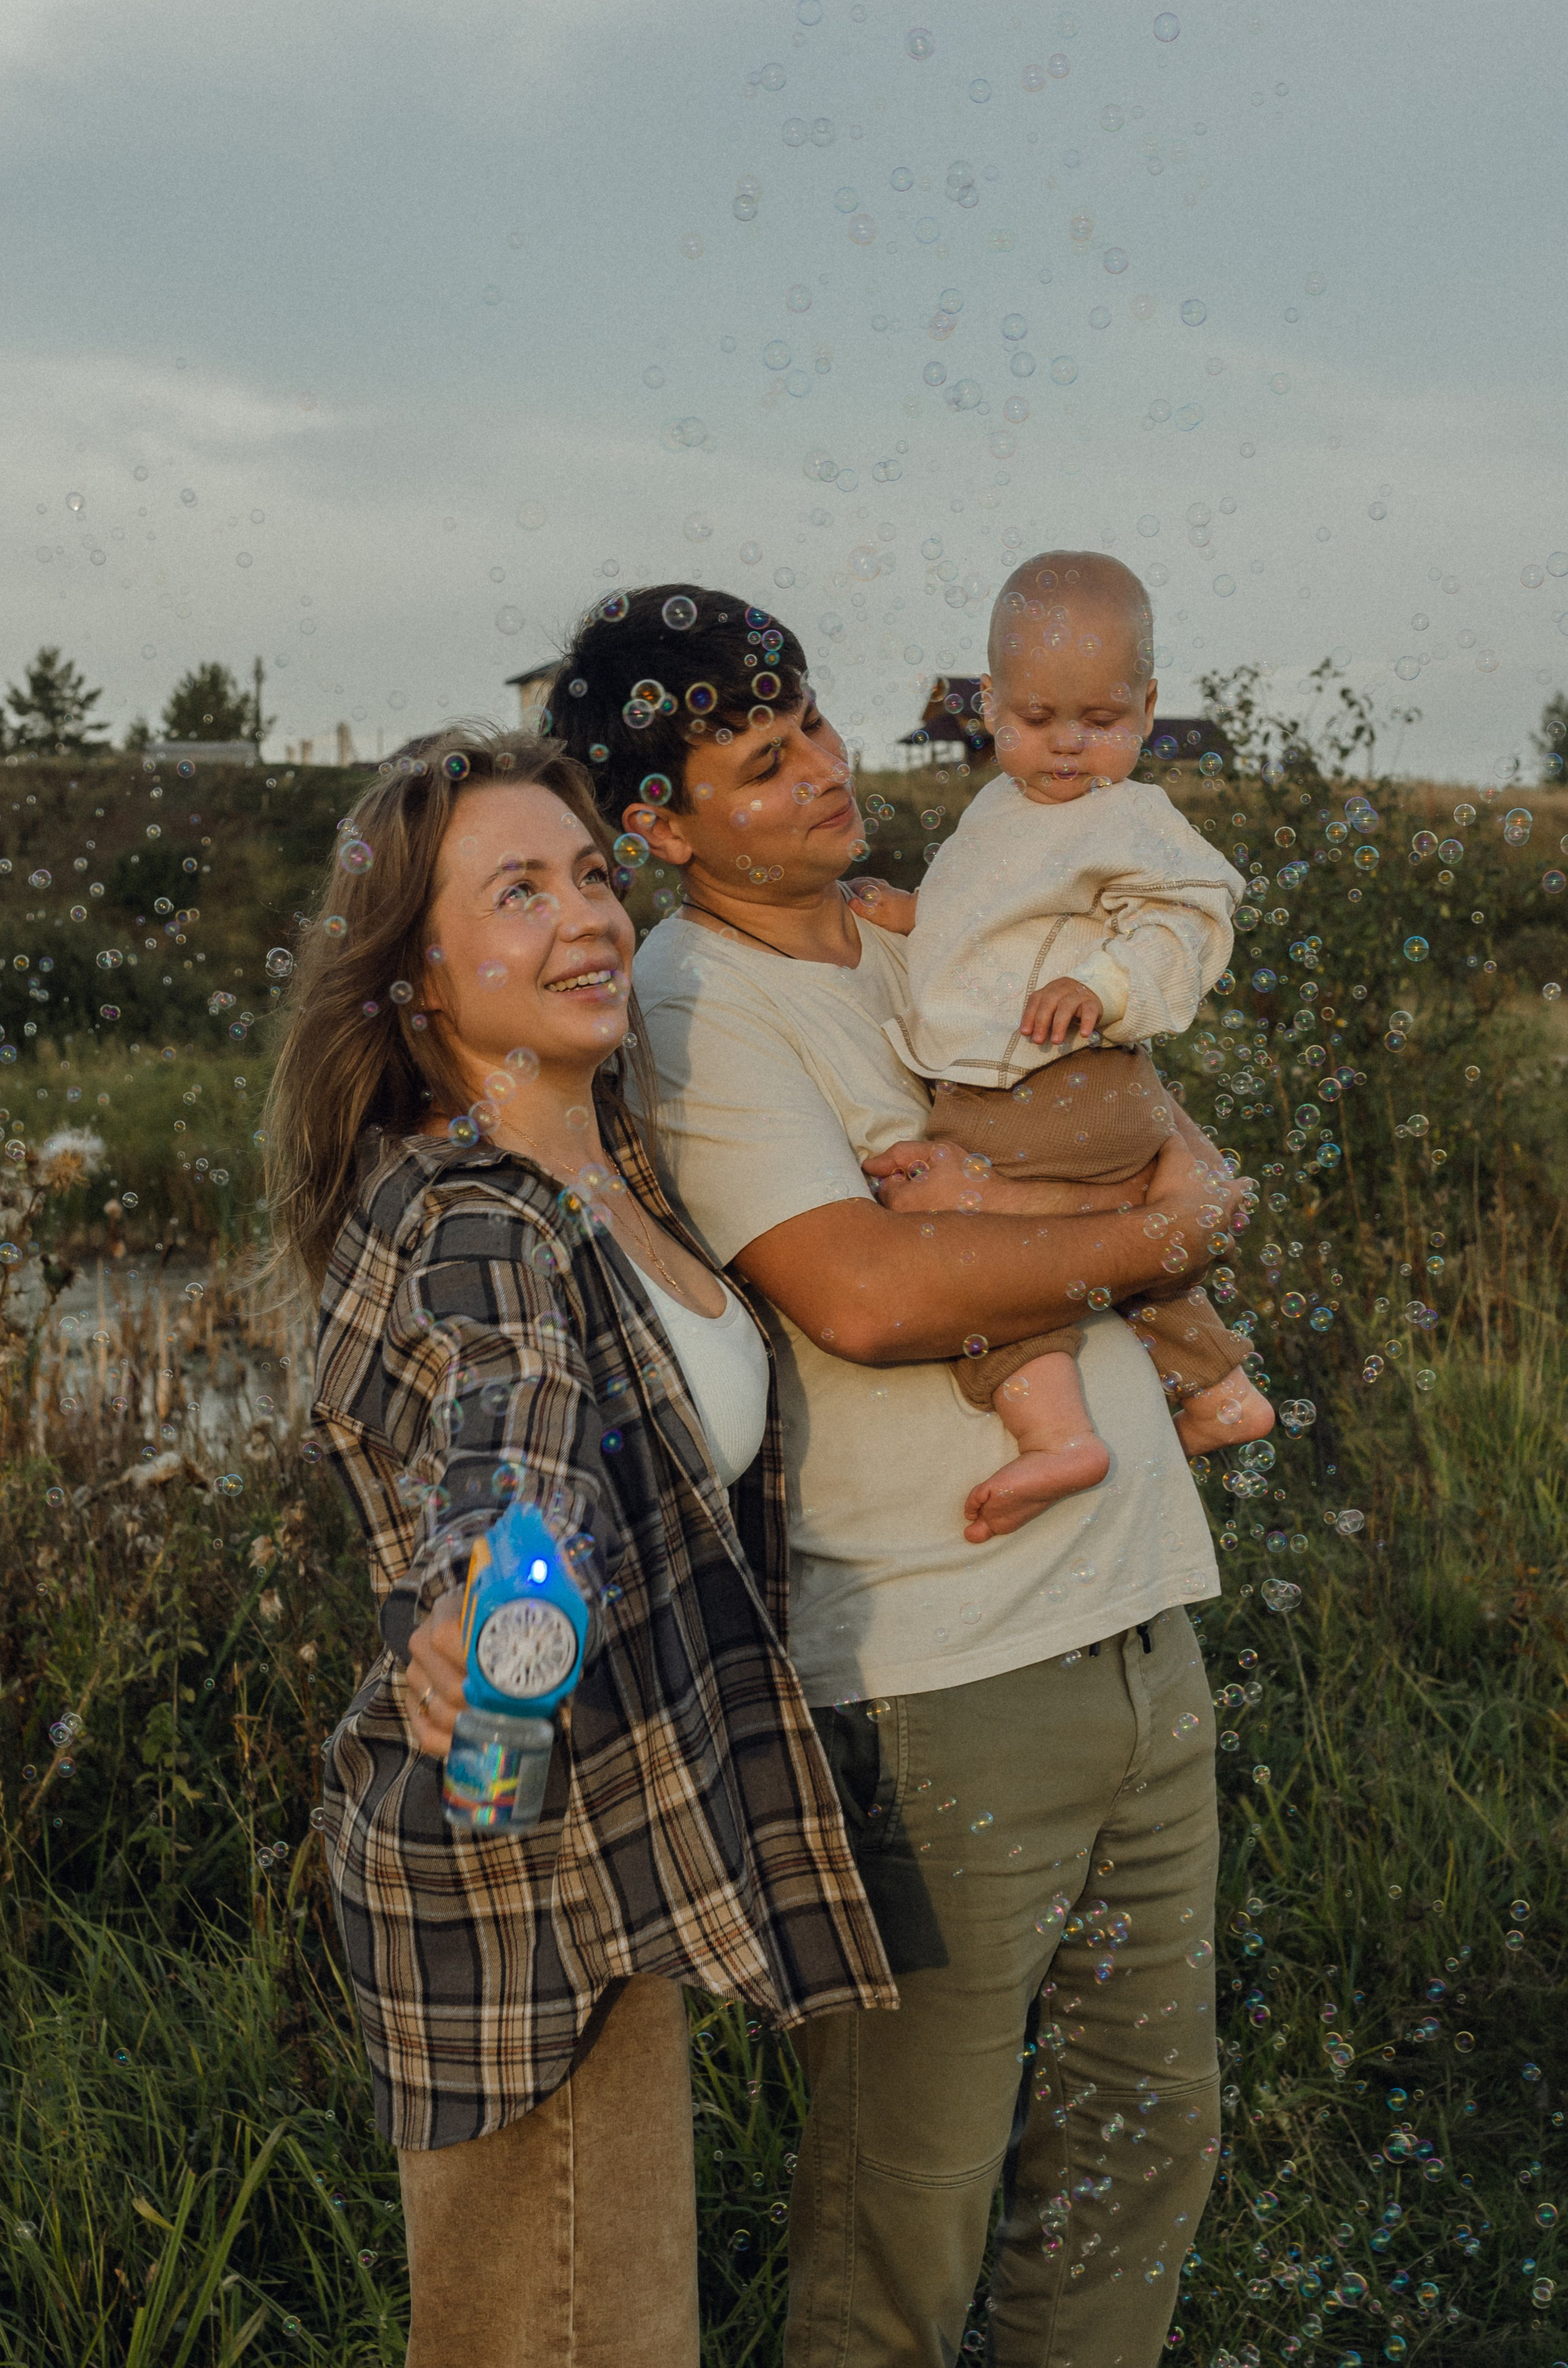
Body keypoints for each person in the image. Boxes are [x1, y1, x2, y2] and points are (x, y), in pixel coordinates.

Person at [549, 584, 1251, 2368]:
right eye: (761, 762)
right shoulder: (693, 1005)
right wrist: (1153, 1236)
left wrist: (1151, 1209)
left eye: (813, 724)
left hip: (1138, 1623)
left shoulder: (922, 928)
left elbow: (1167, 1136)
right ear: (660, 827)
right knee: (905, 2218)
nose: (823, 770)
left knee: (1140, 2150)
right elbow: (864, 1291)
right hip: (945, 1685)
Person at [264, 727, 894, 2368]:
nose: (588, 917)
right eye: (518, 892)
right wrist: (494, 1595)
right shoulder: (473, 1216)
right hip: (515, 1872)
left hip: (591, 1833)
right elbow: (514, 1437)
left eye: (592, 875)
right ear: (417, 977)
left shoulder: (613, 1166)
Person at [851, 550, 1273, 1546]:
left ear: (1149, 707)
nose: (1070, 743)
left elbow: (1191, 920)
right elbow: (994, 916)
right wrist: (916, 913)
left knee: (977, 1247)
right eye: (1039, 719)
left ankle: (1057, 1432)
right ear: (991, 705)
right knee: (1105, 1243)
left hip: (1056, 1079)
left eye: (1103, 719)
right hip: (1041, 1085)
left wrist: (1106, 985)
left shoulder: (1130, 817)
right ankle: (1221, 1391)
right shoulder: (1002, 805)